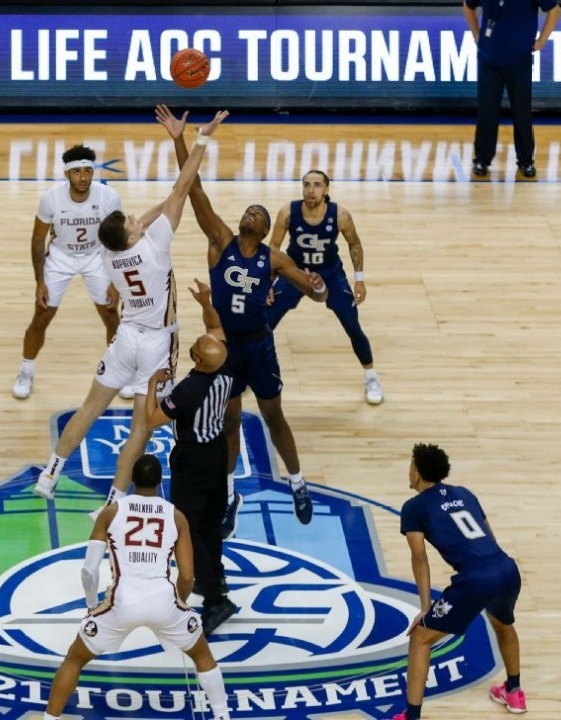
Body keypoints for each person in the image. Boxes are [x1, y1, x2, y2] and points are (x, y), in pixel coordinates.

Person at [34, 111, 231, 511]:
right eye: (130, 221)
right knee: (141, 426)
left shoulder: (108, 254)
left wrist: (156, 208)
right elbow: (183, 186)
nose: (135, 218)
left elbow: (146, 217)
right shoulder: (155, 247)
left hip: (125, 339)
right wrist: (200, 139)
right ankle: (113, 501)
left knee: (90, 407)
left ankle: (50, 474)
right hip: (157, 344)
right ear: (131, 236)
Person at [155, 104, 327, 539]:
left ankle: (298, 482)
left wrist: (320, 286)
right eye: (248, 210)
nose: (252, 213)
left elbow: (313, 292)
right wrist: (180, 139)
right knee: (229, 422)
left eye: (258, 213)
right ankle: (231, 495)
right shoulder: (221, 240)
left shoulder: (275, 258)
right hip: (226, 348)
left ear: (266, 229)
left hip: (258, 345)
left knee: (274, 417)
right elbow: (192, 188)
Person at [41, 454, 232, 720]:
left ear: (132, 479)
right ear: (160, 481)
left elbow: (88, 571)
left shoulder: (111, 512)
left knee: (74, 659)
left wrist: (91, 604)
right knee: (202, 656)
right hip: (164, 601)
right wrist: (178, 603)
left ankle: (50, 718)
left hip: (122, 602)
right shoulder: (176, 516)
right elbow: (188, 576)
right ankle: (222, 715)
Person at [392, 444, 525, 720]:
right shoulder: (464, 493)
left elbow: (419, 557)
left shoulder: (414, 508)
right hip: (506, 568)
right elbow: (489, 536)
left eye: (411, 465)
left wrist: (425, 608)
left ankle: (411, 716)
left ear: (417, 473)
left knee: (421, 637)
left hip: (476, 579)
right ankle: (514, 692)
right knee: (502, 622)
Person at [140, 278, 237, 634]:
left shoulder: (189, 390)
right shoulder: (225, 365)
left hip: (193, 460)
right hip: (217, 452)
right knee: (211, 523)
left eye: (195, 346)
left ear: (196, 359)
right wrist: (206, 302)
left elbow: (152, 420)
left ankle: (215, 598)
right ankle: (217, 576)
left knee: (187, 528)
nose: (199, 341)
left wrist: (152, 384)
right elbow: (216, 329)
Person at [13, 144, 131, 400]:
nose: (83, 177)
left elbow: (118, 240)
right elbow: (38, 240)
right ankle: (26, 371)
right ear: (67, 173)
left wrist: (115, 281)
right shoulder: (51, 198)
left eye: (88, 171)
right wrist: (39, 281)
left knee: (112, 316)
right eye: (77, 172)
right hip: (61, 257)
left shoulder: (109, 198)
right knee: (42, 317)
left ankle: (119, 373)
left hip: (97, 256)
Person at [266, 170, 384, 405]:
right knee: (264, 324)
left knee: (352, 325)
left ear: (327, 189)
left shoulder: (340, 215)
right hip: (294, 272)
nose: (311, 190)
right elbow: (273, 248)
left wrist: (359, 279)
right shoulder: (288, 212)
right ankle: (252, 372)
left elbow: (355, 244)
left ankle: (371, 376)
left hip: (330, 274)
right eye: (306, 185)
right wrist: (266, 283)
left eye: (317, 185)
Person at [464, 0, 561, 179]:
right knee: (486, 112)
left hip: (520, 61)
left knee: (522, 112)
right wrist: (476, 34)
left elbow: (554, 10)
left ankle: (526, 161)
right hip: (489, 60)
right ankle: (482, 159)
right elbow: (468, 5)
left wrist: (542, 41)